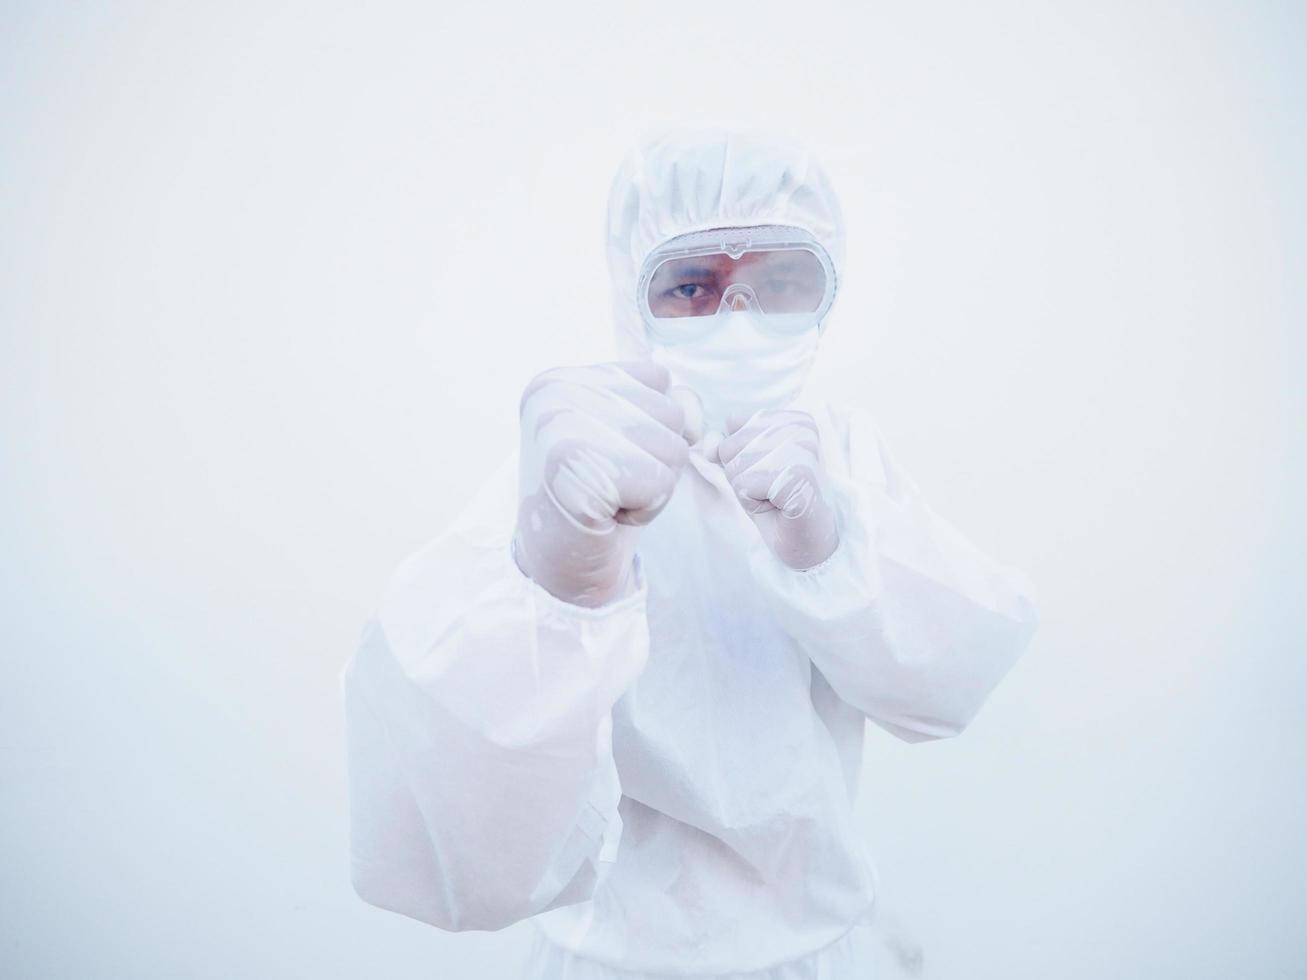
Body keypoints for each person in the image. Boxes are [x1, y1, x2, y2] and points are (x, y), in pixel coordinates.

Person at [341, 130, 1038, 979]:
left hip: (816, 946)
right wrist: (558, 581)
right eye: (691, 285)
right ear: (632, 295)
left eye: (778, 282)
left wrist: (829, 547)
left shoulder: (839, 456)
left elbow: (945, 686)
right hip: (609, 957)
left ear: (825, 291)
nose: (735, 321)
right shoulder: (581, 466)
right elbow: (457, 852)